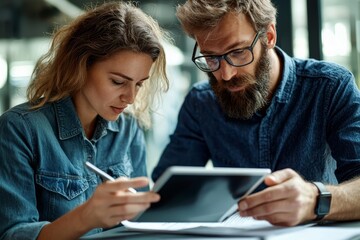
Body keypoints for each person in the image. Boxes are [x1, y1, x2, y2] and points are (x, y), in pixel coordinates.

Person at [152, 0, 360, 227]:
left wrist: (315, 199)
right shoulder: (201, 103)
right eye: (211, 57)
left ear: (269, 36)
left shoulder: (330, 87)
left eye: (239, 52)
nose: (226, 74)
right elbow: (166, 195)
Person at [0, 2, 170, 240]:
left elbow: (140, 227)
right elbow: (12, 235)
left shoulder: (128, 129)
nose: (130, 97)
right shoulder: (20, 129)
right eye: (118, 82)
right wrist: (85, 217)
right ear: (80, 65)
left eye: (139, 84)